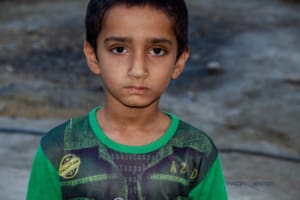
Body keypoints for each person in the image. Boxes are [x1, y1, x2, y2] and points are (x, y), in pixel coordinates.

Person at [26, 0, 228, 199]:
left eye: (157, 51)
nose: (138, 70)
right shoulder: (58, 148)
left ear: (179, 62)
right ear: (92, 56)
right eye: (119, 49)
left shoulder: (196, 152)